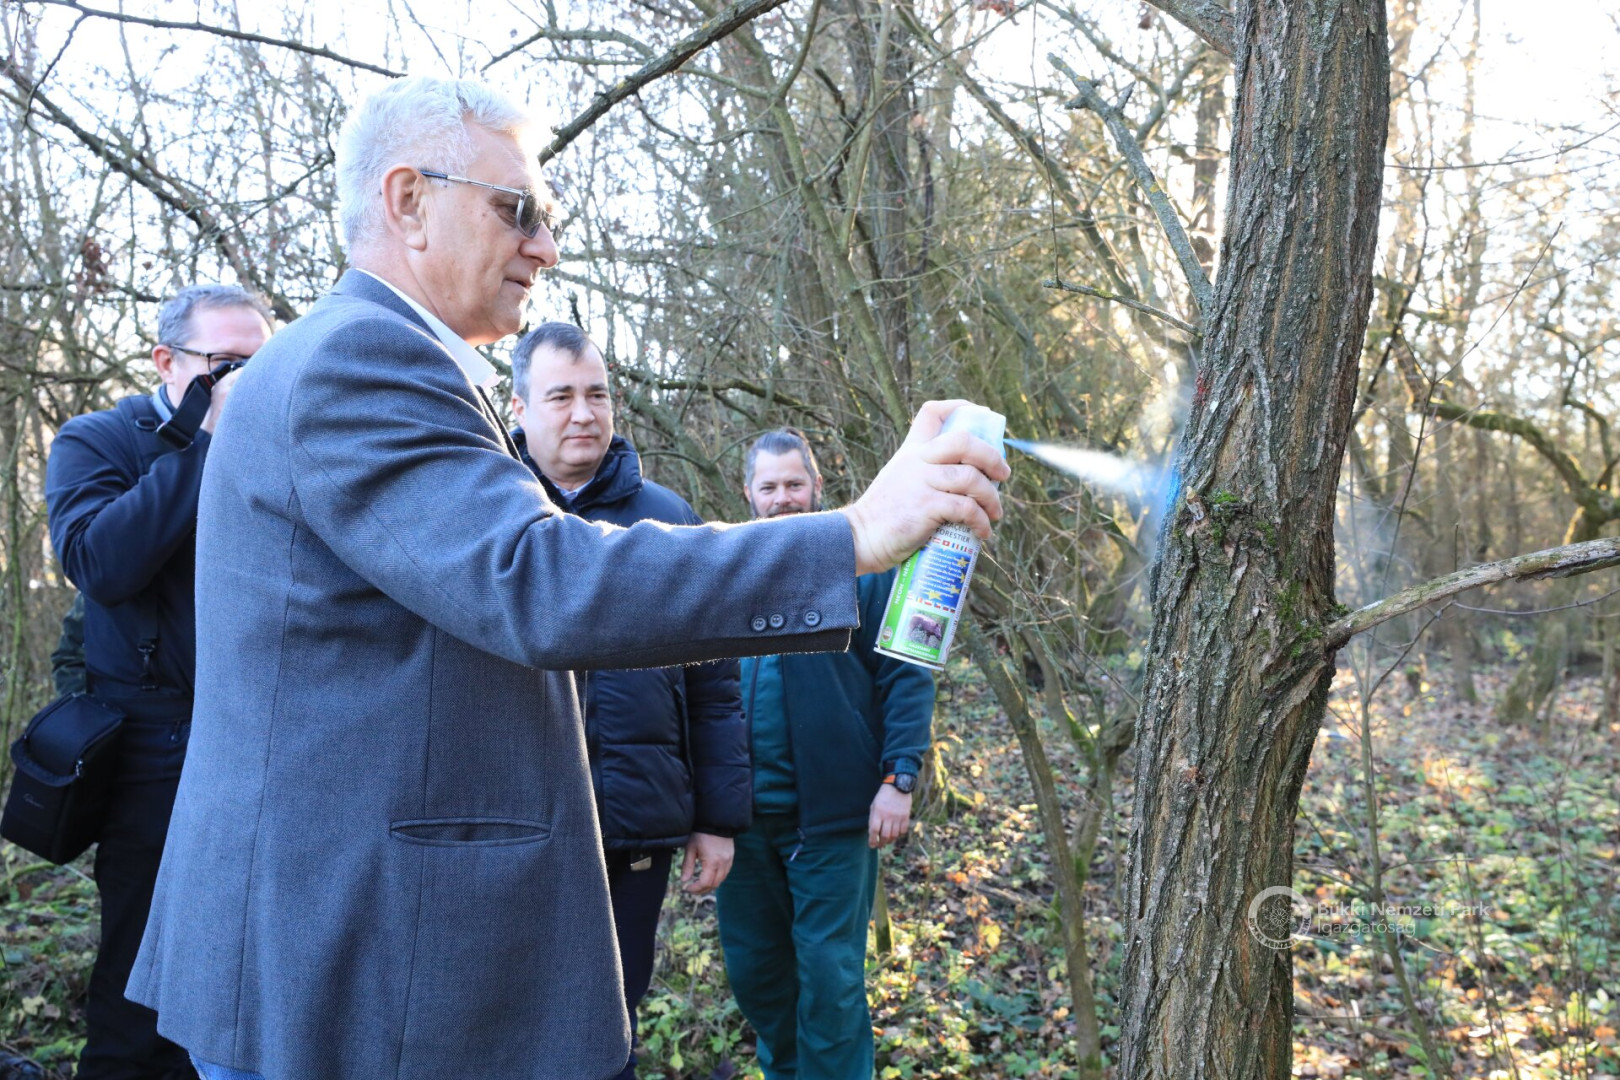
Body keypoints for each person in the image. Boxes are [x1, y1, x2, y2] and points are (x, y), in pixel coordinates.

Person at [127, 76, 1005, 1080]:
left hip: (361, 946)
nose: (544, 246)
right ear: (409, 201)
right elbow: (539, 579)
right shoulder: (361, 359)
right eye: (518, 210)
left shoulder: (369, 357)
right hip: (350, 955)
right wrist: (852, 534)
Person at [42, 284, 273, 1080]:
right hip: (151, 747)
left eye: (260, 365)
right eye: (226, 364)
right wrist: (204, 441)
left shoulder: (279, 443)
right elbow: (100, 563)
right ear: (166, 361)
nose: (245, 382)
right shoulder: (98, 440)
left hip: (264, 736)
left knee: (248, 974)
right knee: (141, 977)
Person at [508, 321, 748, 1078]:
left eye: (598, 395)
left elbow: (714, 688)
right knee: (511, 1019)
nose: (584, 414)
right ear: (518, 408)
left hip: (633, 826)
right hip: (509, 830)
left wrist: (717, 819)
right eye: (561, 397)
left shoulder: (669, 521)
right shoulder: (486, 516)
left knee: (613, 1017)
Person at [716, 429, 935, 1080]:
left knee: (830, 983)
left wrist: (900, 775)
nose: (783, 497)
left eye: (794, 483)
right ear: (748, 492)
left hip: (833, 823)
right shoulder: (726, 571)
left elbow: (907, 672)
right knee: (757, 975)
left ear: (817, 484)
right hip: (740, 827)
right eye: (769, 486)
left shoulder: (862, 567)